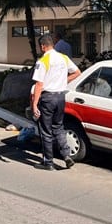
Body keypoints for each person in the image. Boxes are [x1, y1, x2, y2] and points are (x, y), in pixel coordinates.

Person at [31, 34, 81, 170]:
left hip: (47, 98)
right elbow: (77, 72)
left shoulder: (43, 61)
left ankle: (48, 162)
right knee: (58, 127)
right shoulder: (63, 58)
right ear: (52, 44)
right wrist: (63, 82)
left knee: (46, 131)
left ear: (42, 46)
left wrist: (35, 104)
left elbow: (39, 84)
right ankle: (66, 155)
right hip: (60, 97)